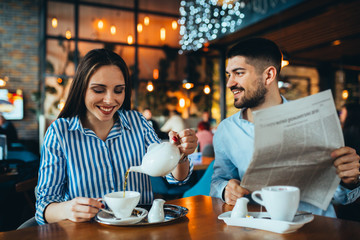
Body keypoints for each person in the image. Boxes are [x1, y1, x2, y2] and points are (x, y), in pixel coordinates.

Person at [35, 49, 198, 225]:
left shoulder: (137, 122)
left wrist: (180, 154)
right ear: (81, 88)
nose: (109, 100)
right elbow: (44, 206)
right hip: (88, 232)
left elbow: (175, 178)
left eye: (118, 90)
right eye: (98, 90)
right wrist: (67, 209)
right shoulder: (60, 133)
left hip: (140, 230)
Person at [210, 38, 360, 217]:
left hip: (317, 229)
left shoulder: (314, 120)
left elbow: (340, 197)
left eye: (239, 73)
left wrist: (351, 181)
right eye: (229, 75)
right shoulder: (227, 130)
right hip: (259, 229)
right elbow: (218, 181)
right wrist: (225, 189)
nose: (230, 83)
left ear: (269, 75)